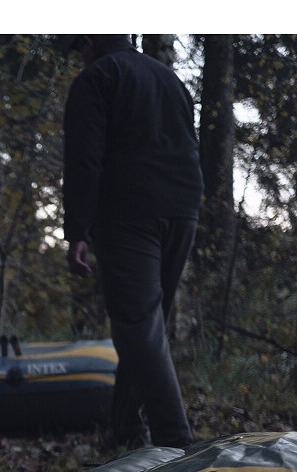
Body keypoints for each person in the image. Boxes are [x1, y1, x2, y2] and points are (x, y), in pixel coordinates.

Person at [61, 34, 203, 449]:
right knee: (145, 326)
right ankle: (125, 429)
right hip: (182, 209)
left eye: (79, 47)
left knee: (139, 327)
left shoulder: (97, 77)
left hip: (129, 213)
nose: (80, 55)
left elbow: (84, 159)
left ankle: (177, 444)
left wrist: (77, 232)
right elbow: (189, 143)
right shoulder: (169, 78)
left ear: (90, 41)